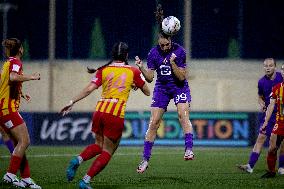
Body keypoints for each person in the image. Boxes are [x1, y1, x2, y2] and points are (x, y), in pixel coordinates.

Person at [61, 42, 150, 189]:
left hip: (100, 110)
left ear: (113, 54)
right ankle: (85, 181)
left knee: (98, 145)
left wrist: (72, 101)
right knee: (108, 151)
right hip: (114, 114)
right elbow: (147, 91)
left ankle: (77, 160)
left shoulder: (104, 69)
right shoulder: (132, 71)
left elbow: (89, 89)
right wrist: (135, 85)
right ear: (126, 55)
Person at [136, 5, 194, 173]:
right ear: (158, 42)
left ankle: (189, 149)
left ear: (171, 41)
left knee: (182, 115)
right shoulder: (153, 53)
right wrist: (141, 68)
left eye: (167, 45)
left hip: (179, 87)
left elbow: (182, 77)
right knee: (153, 123)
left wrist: (173, 62)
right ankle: (145, 159)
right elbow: (150, 78)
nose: (164, 48)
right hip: (161, 88)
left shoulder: (180, 52)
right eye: (161, 45)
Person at [0, 38, 41, 188]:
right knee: (25, 141)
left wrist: (21, 93)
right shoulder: (16, 62)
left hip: (4, 109)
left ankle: (26, 178)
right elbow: (13, 77)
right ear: (20, 49)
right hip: (8, 109)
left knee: (19, 143)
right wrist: (32, 77)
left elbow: (6, 83)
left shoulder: (6, 64)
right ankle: (10, 175)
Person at [237, 58, 284, 174]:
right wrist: (261, 102)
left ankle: (281, 167)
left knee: (281, 143)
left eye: (270, 65)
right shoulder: (261, 82)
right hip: (268, 114)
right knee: (260, 138)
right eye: (265, 66)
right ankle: (250, 166)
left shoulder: (281, 77)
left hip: (280, 115)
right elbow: (260, 96)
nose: (267, 67)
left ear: (275, 67)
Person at [260, 64, 284, 178]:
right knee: (272, 148)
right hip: (280, 122)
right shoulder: (277, 88)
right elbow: (271, 106)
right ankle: (271, 171)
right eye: (283, 70)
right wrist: (265, 122)